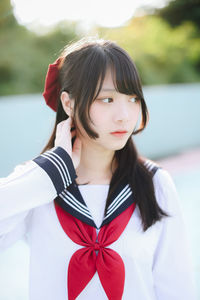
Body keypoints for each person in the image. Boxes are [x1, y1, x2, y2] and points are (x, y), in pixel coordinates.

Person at [0, 36, 196, 300]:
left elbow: (176, 289)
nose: (124, 115)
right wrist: (49, 175)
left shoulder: (155, 184)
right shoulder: (38, 185)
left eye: (133, 98)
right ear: (68, 103)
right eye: (107, 100)